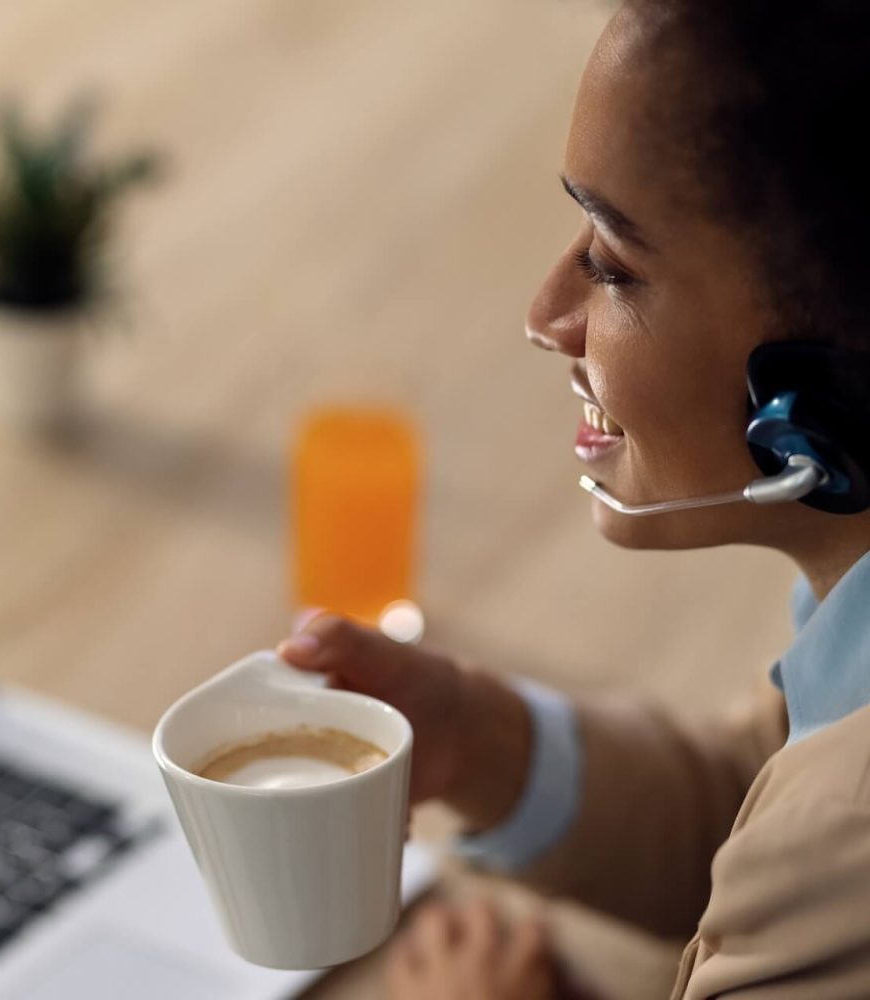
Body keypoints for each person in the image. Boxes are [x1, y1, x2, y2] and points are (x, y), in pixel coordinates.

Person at [278, 1, 870, 997]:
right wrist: (479, 738)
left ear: (816, 397)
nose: (546, 315)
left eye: (609, 262)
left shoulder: (844, 833)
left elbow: (811, 847)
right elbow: (763, 813)